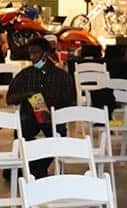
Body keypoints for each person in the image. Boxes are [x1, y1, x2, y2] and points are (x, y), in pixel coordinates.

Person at [6, 37, 77, 179]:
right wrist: (27, 95)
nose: (32, 57)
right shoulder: (25, 74)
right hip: (30, 117)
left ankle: (36, 168)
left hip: (53, 117)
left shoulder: (62, 76)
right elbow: (10, 99)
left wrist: (53, 113)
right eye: (30, 54)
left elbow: (71, 102)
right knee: (22, 132)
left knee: (58, 138)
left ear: (45, 54)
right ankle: (33, 167)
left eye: (35, 53)